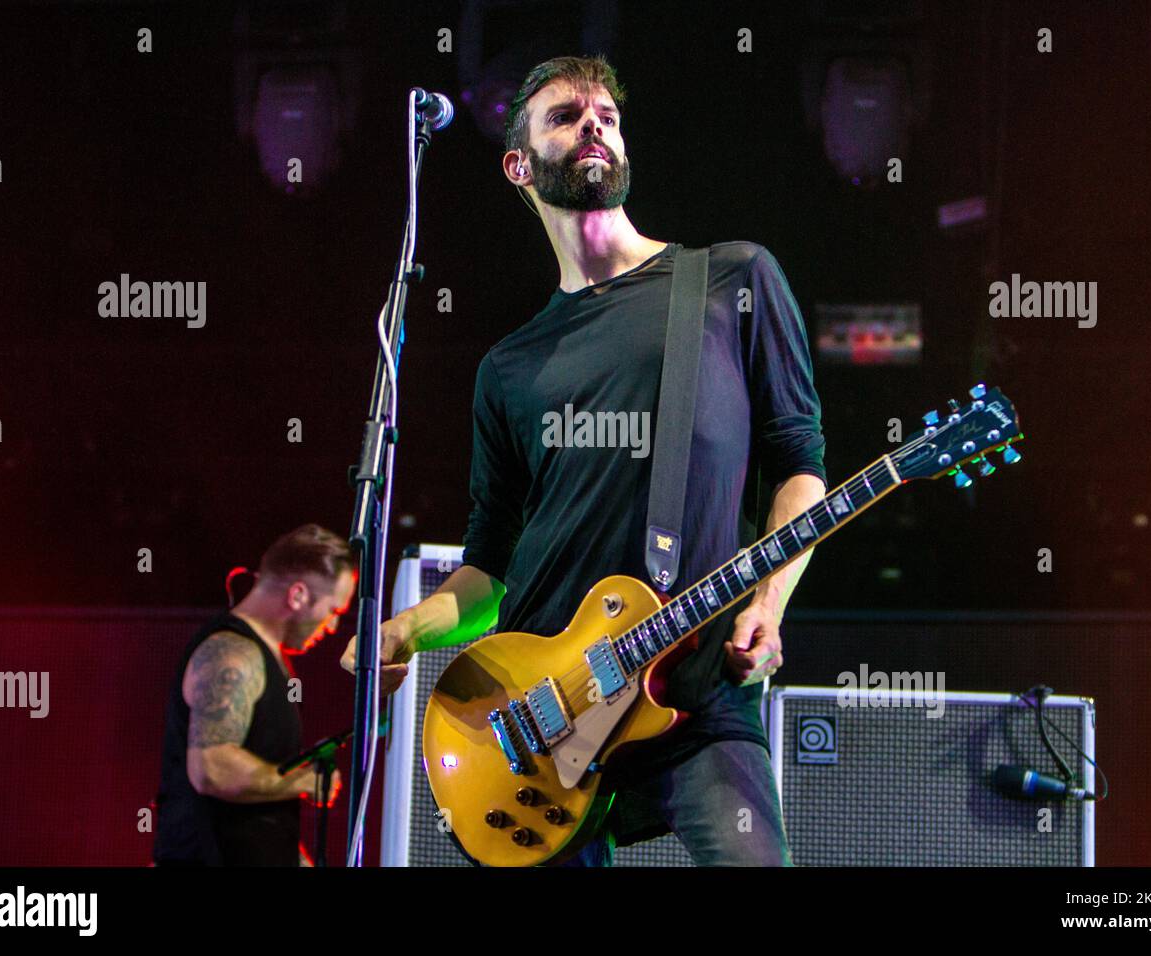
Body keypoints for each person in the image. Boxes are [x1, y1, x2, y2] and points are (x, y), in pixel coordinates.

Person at [343, 55, 827, 866]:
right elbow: (490, 570)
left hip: (696, 692)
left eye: (606, 112)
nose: (594, 123)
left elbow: (800, 468)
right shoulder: (509, 366)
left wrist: (770, 607)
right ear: (519, 166)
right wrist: (405, 629)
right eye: (565, 115)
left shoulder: (732, 282)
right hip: (541, 715)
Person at [154, 524, 356, 866]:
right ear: (298, 595)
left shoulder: (270, 658)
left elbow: (259, 824)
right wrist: (304, 781)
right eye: (333, 611)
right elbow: (212, 769)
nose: (333, 626)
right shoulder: (232, 653)